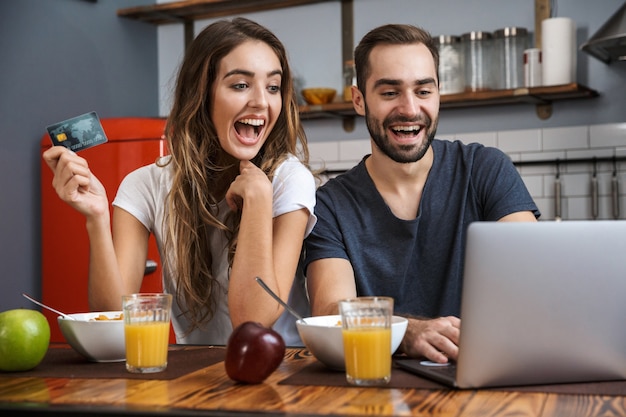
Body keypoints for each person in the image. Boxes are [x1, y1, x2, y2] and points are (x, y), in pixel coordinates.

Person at [42, 17, 316, 346]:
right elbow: (111, 317)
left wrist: (258, 199)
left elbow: (253, 320)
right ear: (201, 95)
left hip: (283, 373)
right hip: (197, 374)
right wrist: (96, 218)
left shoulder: (290, 179)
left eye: (273, 87)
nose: (261, 101)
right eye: (240, 85)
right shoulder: (144, 184)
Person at [304, 23, 540, 363]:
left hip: (486, 374)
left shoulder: (485, 169)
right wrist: (407, 333)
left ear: (439, 93)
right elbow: (330, 311)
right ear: (359, 100)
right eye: (389, 93)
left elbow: (532, 277)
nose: (410, 109)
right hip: (377, 391)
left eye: (423, 91)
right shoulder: (330, 206)